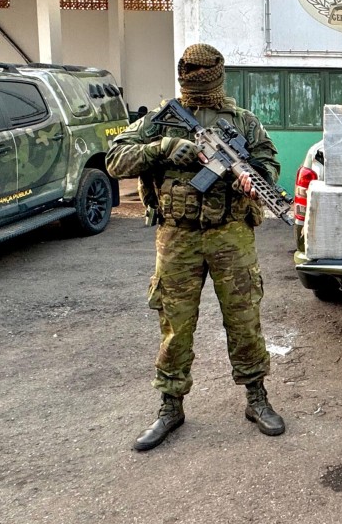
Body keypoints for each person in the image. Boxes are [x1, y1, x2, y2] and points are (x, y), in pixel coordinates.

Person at [107, 43, 285, 451]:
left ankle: (256, 397)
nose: (199, 77)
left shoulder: (243, 121)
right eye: (193, 71)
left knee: (244, 319)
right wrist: (163, 149)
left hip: (230, 233)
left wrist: (253, 178)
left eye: (206, 71)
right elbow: (115, 160)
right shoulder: (160, 121)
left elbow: (268, 164)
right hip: (178, 236)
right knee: (175, 323)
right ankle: (171, 405)